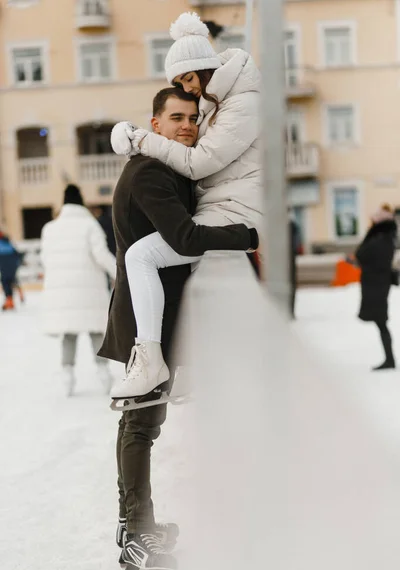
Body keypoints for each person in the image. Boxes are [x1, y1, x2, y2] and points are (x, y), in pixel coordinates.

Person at [97, 86, 258, 570]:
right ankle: (134, 533)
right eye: (176, 117)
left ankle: (138, 523)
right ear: (155, 122)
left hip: (160, 318)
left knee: (147, 423)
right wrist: (249, 234)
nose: (187, 125)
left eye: (192, 118)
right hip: (146, 324)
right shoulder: (150, 172)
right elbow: (184, 239)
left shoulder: (175, 170)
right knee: (141, 426)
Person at [110, 11, 262, 402]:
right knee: (177, 268)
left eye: (187, 79)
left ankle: (153, 359)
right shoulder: (217, 103)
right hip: (223, 207)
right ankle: (185, 367)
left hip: (235, 210)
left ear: (204, 68)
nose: (186, 89)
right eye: (178, 85)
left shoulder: (243, 104)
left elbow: (198, 162)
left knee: (143, 255)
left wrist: (140, 139)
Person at [41, 184, 116, 395]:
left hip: (62, 293)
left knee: (69, 334)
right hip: (89, 290)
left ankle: (67, 378)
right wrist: (120, 275)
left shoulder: (50, 228)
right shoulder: (90, 225)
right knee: (95, 331)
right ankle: (103, 375)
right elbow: (101, 255)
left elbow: (46, 260)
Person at [355, 204, 397, 370]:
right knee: (381, 322)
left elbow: (361, 254)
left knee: (381, 322)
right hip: (377, 282)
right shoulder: (385, 237)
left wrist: (370, 234)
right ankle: (389, 359)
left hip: (377, 283)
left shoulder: (381, 239)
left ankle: (390, 359)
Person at [0, 230, 22, 311]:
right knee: (11, 280)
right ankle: (11, 300)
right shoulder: (8, 242)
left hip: (5, 263)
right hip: (12, 264)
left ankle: (9, 301)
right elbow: (17, 253)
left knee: (5, 281)